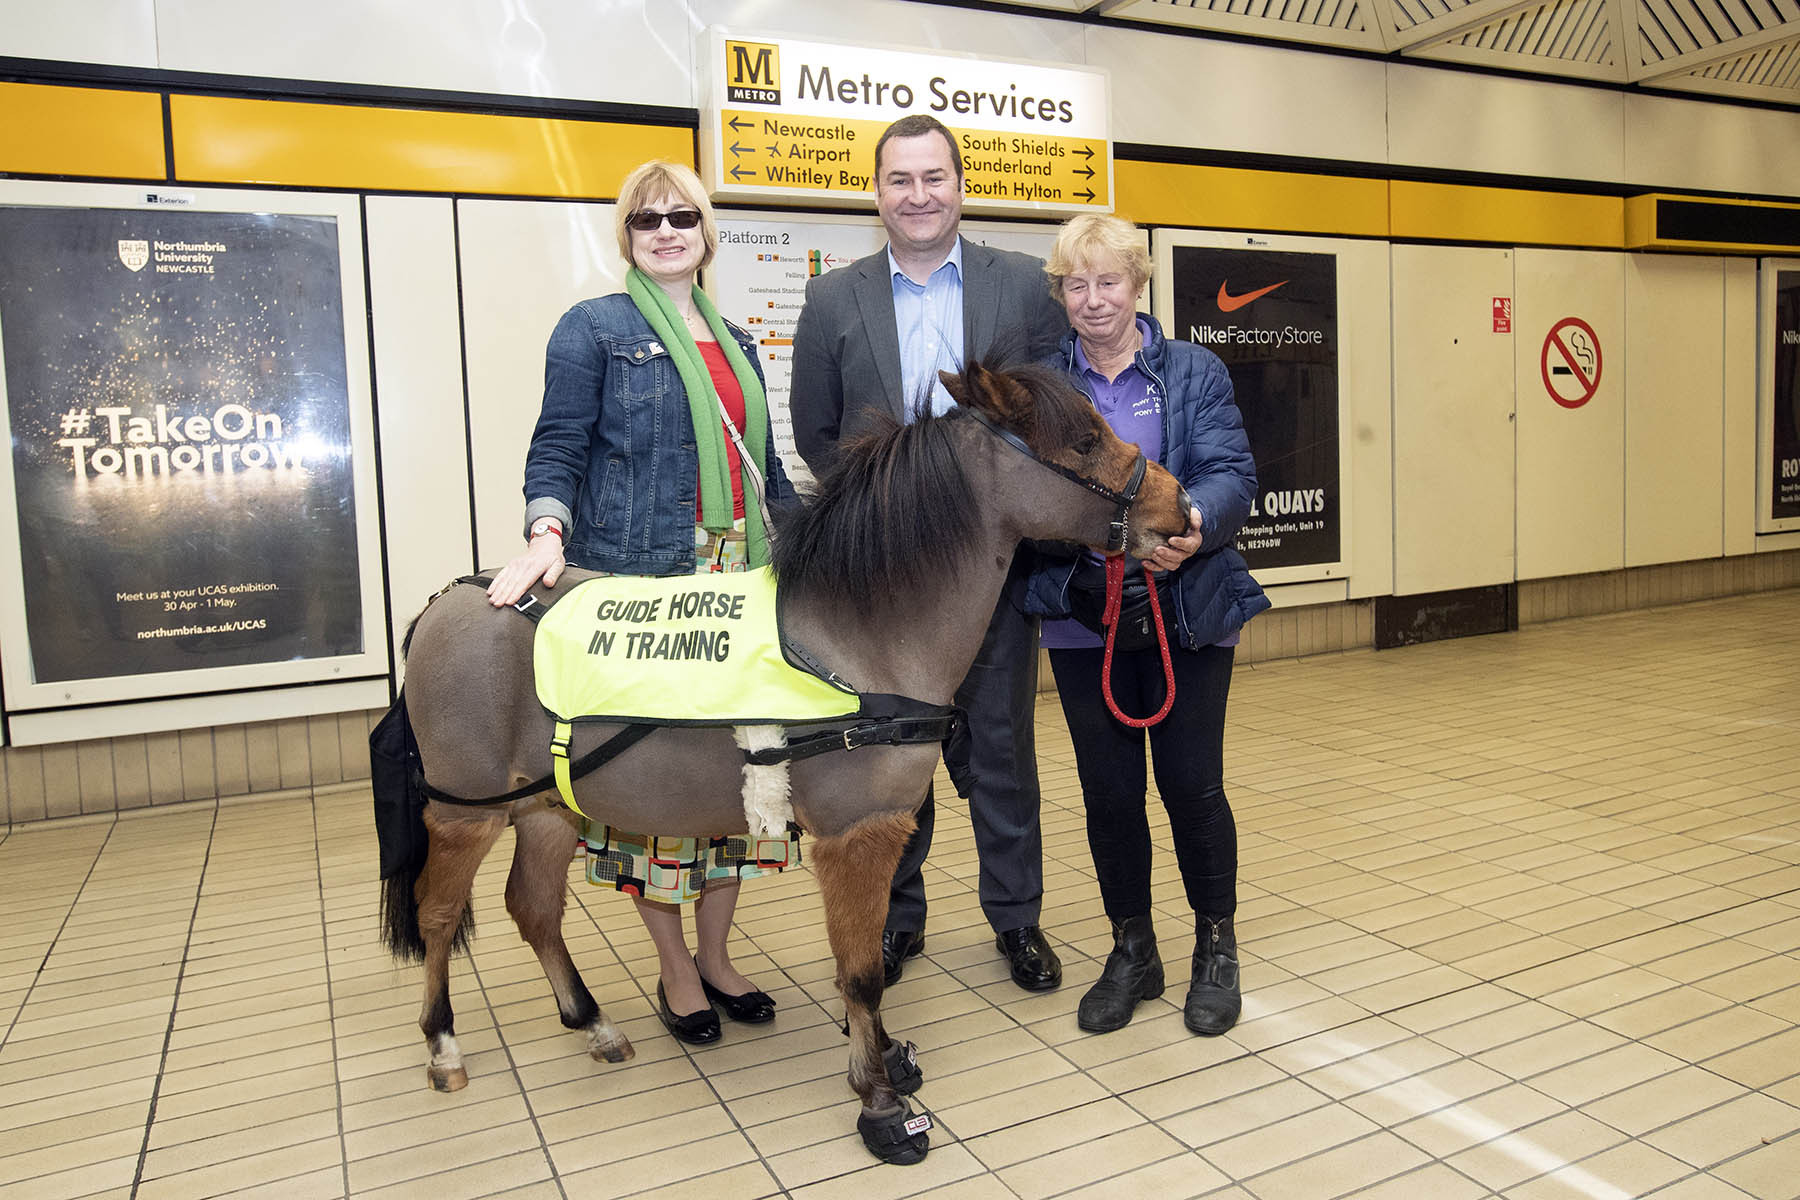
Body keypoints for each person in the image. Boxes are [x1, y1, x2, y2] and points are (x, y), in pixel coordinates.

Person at [486, 160, 796, 1046]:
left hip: (742, 591)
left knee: (735, 787)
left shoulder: (738, 338)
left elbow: (764, 478)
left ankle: (719, 956)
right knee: (657, 789)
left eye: (682, 217)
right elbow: (556, 450)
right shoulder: (593, 330)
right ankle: (673, 970)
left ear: (707, 231)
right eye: (645, 220)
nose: (666, 231)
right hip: (645, 589)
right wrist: (548, 533)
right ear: (626, 236)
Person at [789, 115, 1068, 992]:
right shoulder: (835, 301)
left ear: (960, 186)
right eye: (900, 180)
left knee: (999, 752)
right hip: (883, 595)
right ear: (877, 194)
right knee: (889, 759)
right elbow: (817, 431)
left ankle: (1016, 920)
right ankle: (896, 920)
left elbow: (1051, 422)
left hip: (990, 580)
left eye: (933, 177)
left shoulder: (1022, 287)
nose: (918, 195)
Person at [1026, 213, 1269, 1036]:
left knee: (1192, 786)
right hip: (1083, 614)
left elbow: (1230, 471)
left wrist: (1192, 525)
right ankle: (1134, 948)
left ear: (1139, 283)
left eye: (1109, 281)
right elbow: (1022, 499)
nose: (1093, 300)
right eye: (1076, 284)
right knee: (1109, 796)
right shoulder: (1043, 387)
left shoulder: (1193, 370)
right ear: (1060, 293)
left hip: (1187, 608)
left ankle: (1216, 948)